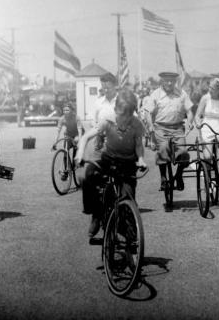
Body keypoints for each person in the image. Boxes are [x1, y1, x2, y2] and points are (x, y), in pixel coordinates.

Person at [75, 90, 147, 240]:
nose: (124, 121)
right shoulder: (107, 120)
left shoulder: (137, 124)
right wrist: (80, 154)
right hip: (108, 159)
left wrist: (140, 159)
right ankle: (95, 213)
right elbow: (86, 137)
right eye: (121, 116)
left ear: (133, 114)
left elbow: (139, 145)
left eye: (129, 117)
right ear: (115, 111)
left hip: (127, 162)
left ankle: (126, 228)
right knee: (88, 177)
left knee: (128, 196)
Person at [143, 72, 195, 211]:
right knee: (163, 150)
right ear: (162, 81)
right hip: (161, 128)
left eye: (172, 81)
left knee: (184, 154)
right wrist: (151, 127)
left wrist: (189, 122)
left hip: (178, 128)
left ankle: (178, 176)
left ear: (175, 81)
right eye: (167, 81)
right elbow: (148, 112)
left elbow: (190, 111)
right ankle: (163, 178)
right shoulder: (156, 95)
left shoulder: (181, 93)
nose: (170, 84)